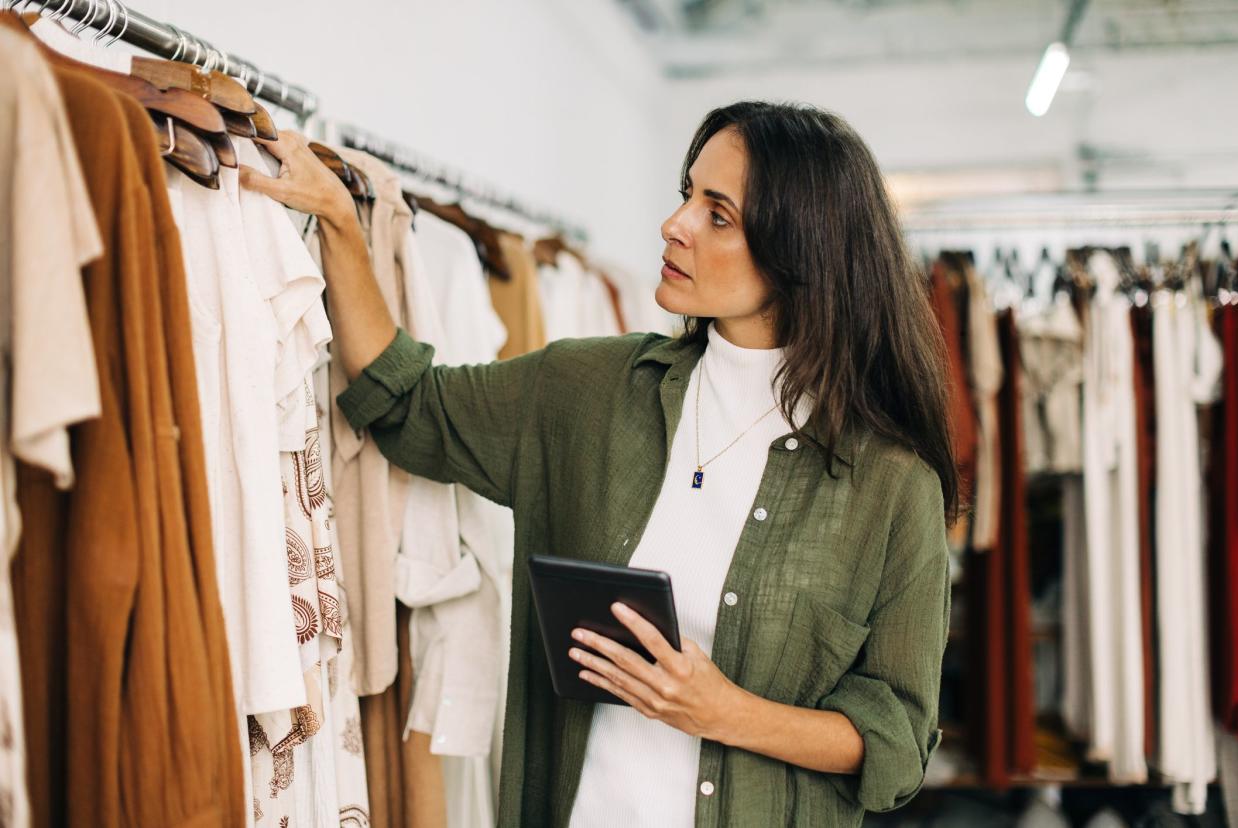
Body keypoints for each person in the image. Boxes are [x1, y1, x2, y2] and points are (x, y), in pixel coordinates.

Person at [239, 100, 954, 828]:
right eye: (686, 195)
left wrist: (724, 712)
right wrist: (338, 222)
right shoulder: (589, 393)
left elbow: (895, 743)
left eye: (718, 214)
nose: (673, 225)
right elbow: (407, 405)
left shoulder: (891, 487)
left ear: (802, 252)